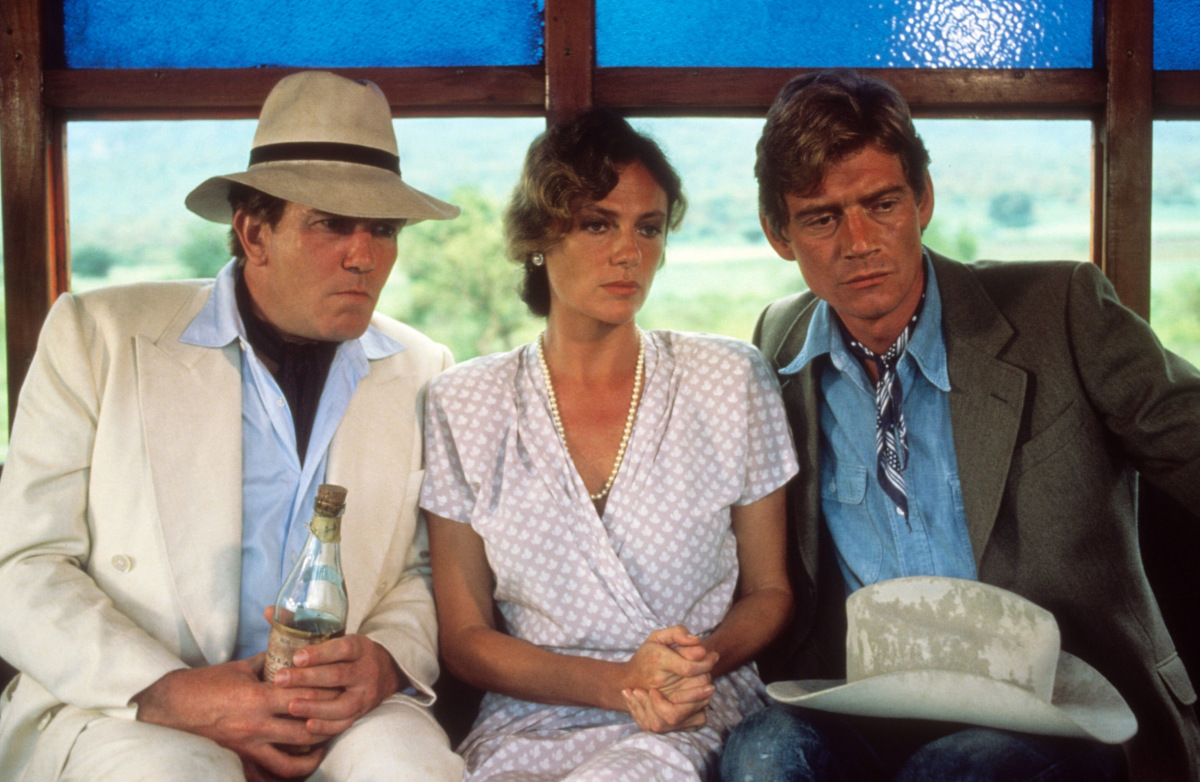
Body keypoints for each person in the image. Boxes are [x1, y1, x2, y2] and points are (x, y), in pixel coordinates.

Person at [719, 69, 1200, 781]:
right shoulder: (777, 344)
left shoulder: (1060, 310)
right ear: (778, 234)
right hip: (863, 701)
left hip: (1063, 707)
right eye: (822, 218)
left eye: (882, 204)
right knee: (761, 755)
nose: (858, 242)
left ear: (923, 200)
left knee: (956, 770)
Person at [0, 71, 465, 781]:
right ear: (254, 233)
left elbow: (423, 571)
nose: (364, 255)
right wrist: (169, 692)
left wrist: (383, 659)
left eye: (384, 228)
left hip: (340, 712)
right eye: (332, 223)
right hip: (130, 704)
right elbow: (24, 564)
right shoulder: (99, 337)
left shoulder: (424, 367)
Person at [419, 108, 798, 780]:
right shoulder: (465, 403)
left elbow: (770, 591)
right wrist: (617, 682)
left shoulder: (728, 379)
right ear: (539, 237)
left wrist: (687, 669)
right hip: (529, 721)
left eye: (648, 228)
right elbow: (467, 638)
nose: (629, 252)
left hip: (692, 711)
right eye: (598, 224)